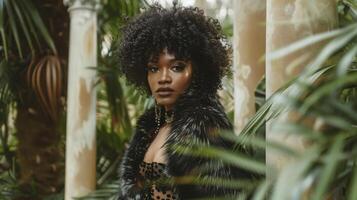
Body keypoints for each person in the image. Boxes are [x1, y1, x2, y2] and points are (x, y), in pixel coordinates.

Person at [117, 2, 251, 199]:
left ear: (198, 70)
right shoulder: (151, 126)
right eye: (154, 68)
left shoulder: (204, 125)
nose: (163, 78)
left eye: (176, 67)